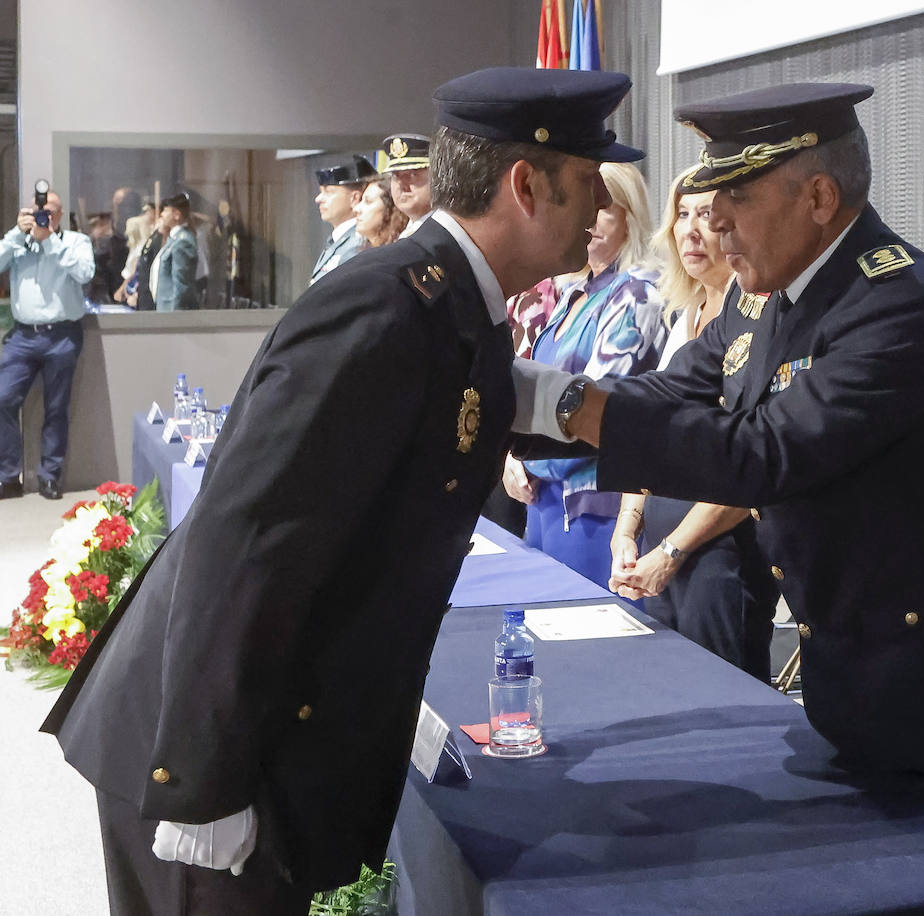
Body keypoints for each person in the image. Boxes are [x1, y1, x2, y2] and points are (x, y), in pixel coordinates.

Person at [41, 66, 642, 914]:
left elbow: (464, 397)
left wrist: (565, 403)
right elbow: (244, 536)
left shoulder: (449, 305)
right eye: (585, 183)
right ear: (526, 185)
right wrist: (202, 779)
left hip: (268, 732)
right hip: (211, 753)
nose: (596, 207)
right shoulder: (386, 306)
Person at [545, 83, 924, 828]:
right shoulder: (764, 299)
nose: (714, 222)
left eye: (737, 198)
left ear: (818, 197)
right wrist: (519, 407)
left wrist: (562, 408)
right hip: (851, 666)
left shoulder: (900, 304)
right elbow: (669, 391)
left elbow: (763, 456)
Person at [609, 167, 778, 680]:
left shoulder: (760, 316)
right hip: (661, 542)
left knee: (721, 701)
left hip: (715, 550)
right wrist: (626, 530)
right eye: (682, 214)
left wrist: (672, 550)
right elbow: (651, 429)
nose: (691, 230)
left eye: (706, 215)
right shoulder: (682, 316)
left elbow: (746, 460)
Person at [504, 161, 666, 589]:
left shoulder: (638, 293)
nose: (591, 220)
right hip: (543, 498)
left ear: (630, 218)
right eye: (585, 205)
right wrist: (508, 456)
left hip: (596, 505)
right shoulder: (574, 289)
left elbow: (594, 402)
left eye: (604, 208)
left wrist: (523, 451)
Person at [0, 188, 94, 500]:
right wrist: (17, 232)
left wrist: (50, 240)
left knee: (56, 409)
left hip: (62, 335)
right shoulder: (18, 241)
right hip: (22, 337)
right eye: (41, 212)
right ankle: (8, 476)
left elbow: (85, 272)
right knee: (3, 400)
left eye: (51, 212)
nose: (46, 217)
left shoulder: (75, 242)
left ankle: (50, 476)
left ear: (60, 215)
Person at [309, 155, 374, 284]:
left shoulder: (359, 243)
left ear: (354, 198)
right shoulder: (336, 240)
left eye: (329, 192)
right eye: (321, 191)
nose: (318, 199)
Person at [151, 192, 200, 311]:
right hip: (164, 307)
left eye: (166, 210)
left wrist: (176, 316)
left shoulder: (183, 242)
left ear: (176, 215)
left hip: (172, 310)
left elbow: (181, 284)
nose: (162, 214)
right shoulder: (174, 239)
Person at [379, 132, 432, 238]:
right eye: (396, 176)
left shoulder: (444, 233)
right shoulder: (402, 232)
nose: (402, 185)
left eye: (412, 174)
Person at [352, 176, 407, 248]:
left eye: (368, 201)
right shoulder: (357, 250)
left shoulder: (401, 250)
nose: (356, 209)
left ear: (390, 209)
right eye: (361, 201)